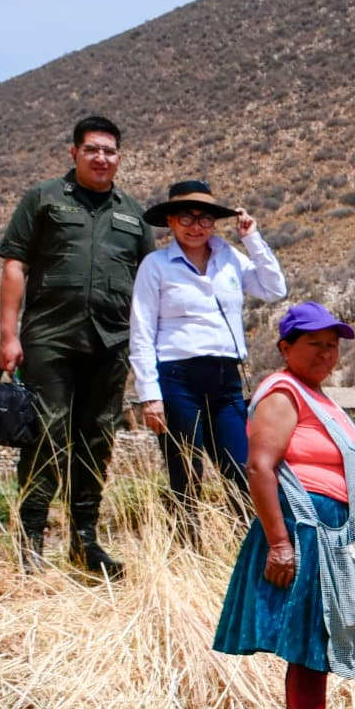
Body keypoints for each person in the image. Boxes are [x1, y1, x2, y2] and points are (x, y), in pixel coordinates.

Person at [213, 302, 355, 709]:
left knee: (315, 643)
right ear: (286, 347)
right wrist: (280, 543)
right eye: (315, 344)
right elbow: (261, 467)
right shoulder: (283, 393)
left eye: (333, 345)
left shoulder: (315, 396)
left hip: (327, 534)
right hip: (302, 533)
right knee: (311, 643)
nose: (327, 353)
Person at [0, 114, 147, 578]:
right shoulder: (43, 200)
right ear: (74, 153)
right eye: (92, 150)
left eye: (109, 151)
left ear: (119, 158)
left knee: (97, 438)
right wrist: (7, 335)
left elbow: (148, 283)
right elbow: (15, 265)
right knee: (46, 433)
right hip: (50, 338)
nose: (101, 158)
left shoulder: (133, 213)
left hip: (111, 342)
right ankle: (31, 542)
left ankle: (85, 542)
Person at [130, 180, 287, 520]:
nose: (195, 227)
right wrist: (149, 394)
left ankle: (244, 550)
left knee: (242, 467)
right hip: (176, 378)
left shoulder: (229, 257)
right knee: (185, 470)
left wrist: (251, 238)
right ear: (170, 221)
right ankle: (189, 551)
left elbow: (274, 289)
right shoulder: (155, 265)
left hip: (225, 377)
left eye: (204, 219)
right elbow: (141, 330)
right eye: (186, 218)